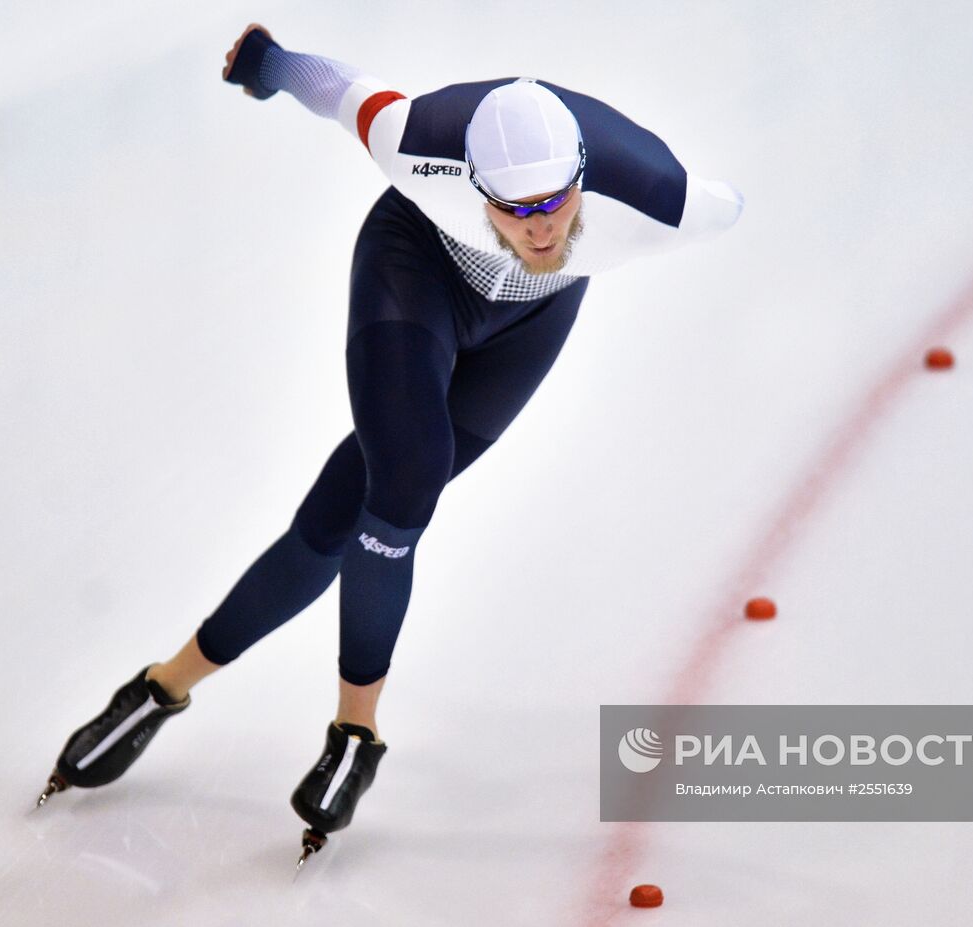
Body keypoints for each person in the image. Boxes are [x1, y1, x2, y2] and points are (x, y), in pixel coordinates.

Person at [38, 23, 744, 864]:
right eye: (514, 210)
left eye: (555, 202)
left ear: (582, 179)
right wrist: (264, 64)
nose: (540, 229)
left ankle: (183, 692)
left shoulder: (661, 198)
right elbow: (336, 88)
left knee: (348, 514)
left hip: (530, 325)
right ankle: (334, 727)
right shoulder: (418, 143)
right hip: (413, 269)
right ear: (474, 186)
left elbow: (735, 205)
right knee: (406, 477)